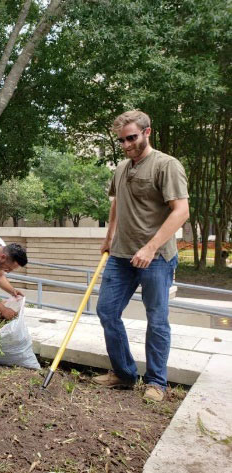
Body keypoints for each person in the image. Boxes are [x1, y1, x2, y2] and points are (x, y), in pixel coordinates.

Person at [92, 110, 189, 402]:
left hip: (156, 258)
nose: (126, 145)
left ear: (148, 132)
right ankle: (123, 374)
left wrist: (150, 247)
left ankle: (156, 382)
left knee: (157, 319)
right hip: (121, 256)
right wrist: (109, 235)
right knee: (107, 312)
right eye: (121, 140)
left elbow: (181, 211)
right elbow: (117, 201)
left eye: (131, 138)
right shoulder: (121, 167)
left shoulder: (166, 165)